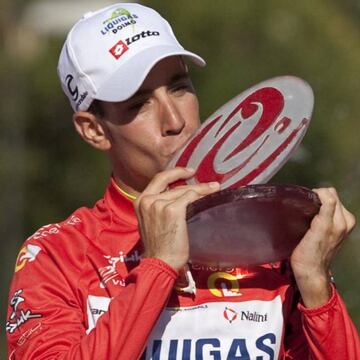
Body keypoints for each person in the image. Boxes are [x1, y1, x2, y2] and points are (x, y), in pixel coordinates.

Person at [6, 3, 359, 359]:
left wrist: (316, 287)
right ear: (95, 130)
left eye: (179, 88)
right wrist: (157, 268)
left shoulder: (266, 235)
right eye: (139, 104)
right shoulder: (57, 255)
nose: (175, 120)